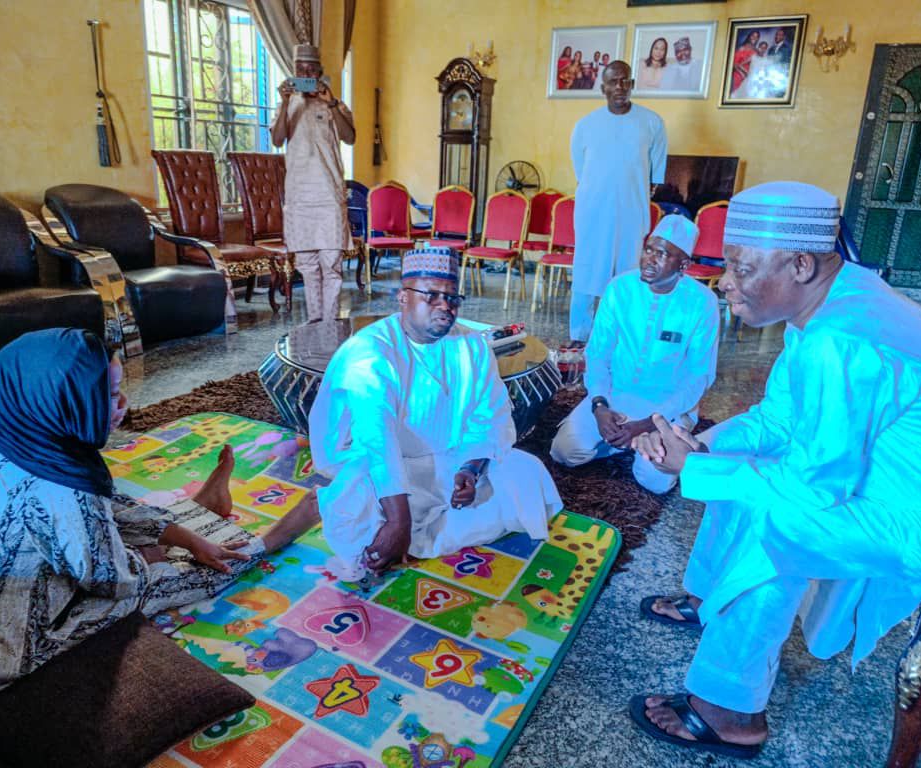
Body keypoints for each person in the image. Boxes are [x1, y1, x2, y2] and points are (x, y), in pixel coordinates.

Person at [626, 182, 921, 758]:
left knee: (778, 521)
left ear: (800, 264)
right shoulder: (834, 299)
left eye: (740, 267)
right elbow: (779, 418)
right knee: (743, 470)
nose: (723, 282)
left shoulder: (841, 338)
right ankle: (710, 599)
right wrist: (701, 446)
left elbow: (811, 488)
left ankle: (730, 711)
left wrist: (694, 468)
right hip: (886, 483)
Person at [0, 328, 318, 691]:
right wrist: (147, 556)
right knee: (156, 579)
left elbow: (98, 507)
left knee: (124, 528)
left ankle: (195, 513)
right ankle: (267, 542)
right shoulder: (62, 491)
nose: (123, 405)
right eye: (111, 394)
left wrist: (182, 537)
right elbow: (116, 582)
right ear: (68, 398)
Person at [309, 246, 562, 579]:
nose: (445, 305)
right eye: (431, 296)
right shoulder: (369, 352)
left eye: (452, 298)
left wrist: (470, 468)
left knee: (526, 471)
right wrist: (399, 521)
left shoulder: (472, 345)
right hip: (380, 470)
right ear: (403, 297)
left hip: (449, 461)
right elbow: (376, 441)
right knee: (352, 498)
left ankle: (407, 539)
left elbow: (490, 415)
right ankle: (404, 532)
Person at [550, 215, 719, 493]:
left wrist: (647, 424)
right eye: (648, 249)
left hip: (667, 408)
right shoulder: (620, 288)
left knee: (654, 481)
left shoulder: (703, 303)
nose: (649, 259)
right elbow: (598, 354)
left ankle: (637, 445)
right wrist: (600, 405)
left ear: (683, 265)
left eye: (662, 254)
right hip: (616, 395)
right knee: (564, 452)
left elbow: (699, 376)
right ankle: (620, 444)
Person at [569, 60, 667, 344]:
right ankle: (579, 335)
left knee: (629, 274)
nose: (620, 87)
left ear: (632, 85)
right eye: (613, 82)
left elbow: (654, 176)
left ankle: (625, 337)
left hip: (631, 211)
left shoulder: (652, 123)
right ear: (603, 88)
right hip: (593, 211)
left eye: (625, 81)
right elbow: (581, 172)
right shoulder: (585, 125)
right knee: (587, 271)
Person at [270, 43, 356, 323]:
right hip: (300, 198)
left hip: (329, 196)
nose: (306, 74)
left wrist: (331, 103)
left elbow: (350, 137)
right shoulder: (287, 104)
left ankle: (329, 324)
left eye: (311, 70)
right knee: (308, 266)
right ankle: (315, 323)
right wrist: (285, 102)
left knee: (331, 265)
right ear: (294, 72)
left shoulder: (334, 104)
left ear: (320, 72)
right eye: (300, 70)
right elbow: (277, 139)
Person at [731, 30, 761, 94]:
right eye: (753, 36)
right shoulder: (742, 48)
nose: (754, 38)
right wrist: (744, 73)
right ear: (749, 36)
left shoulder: (756, 51)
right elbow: (734, 64)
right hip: (739, 75)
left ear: (758, 39)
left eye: (756, 37)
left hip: (750, 77)